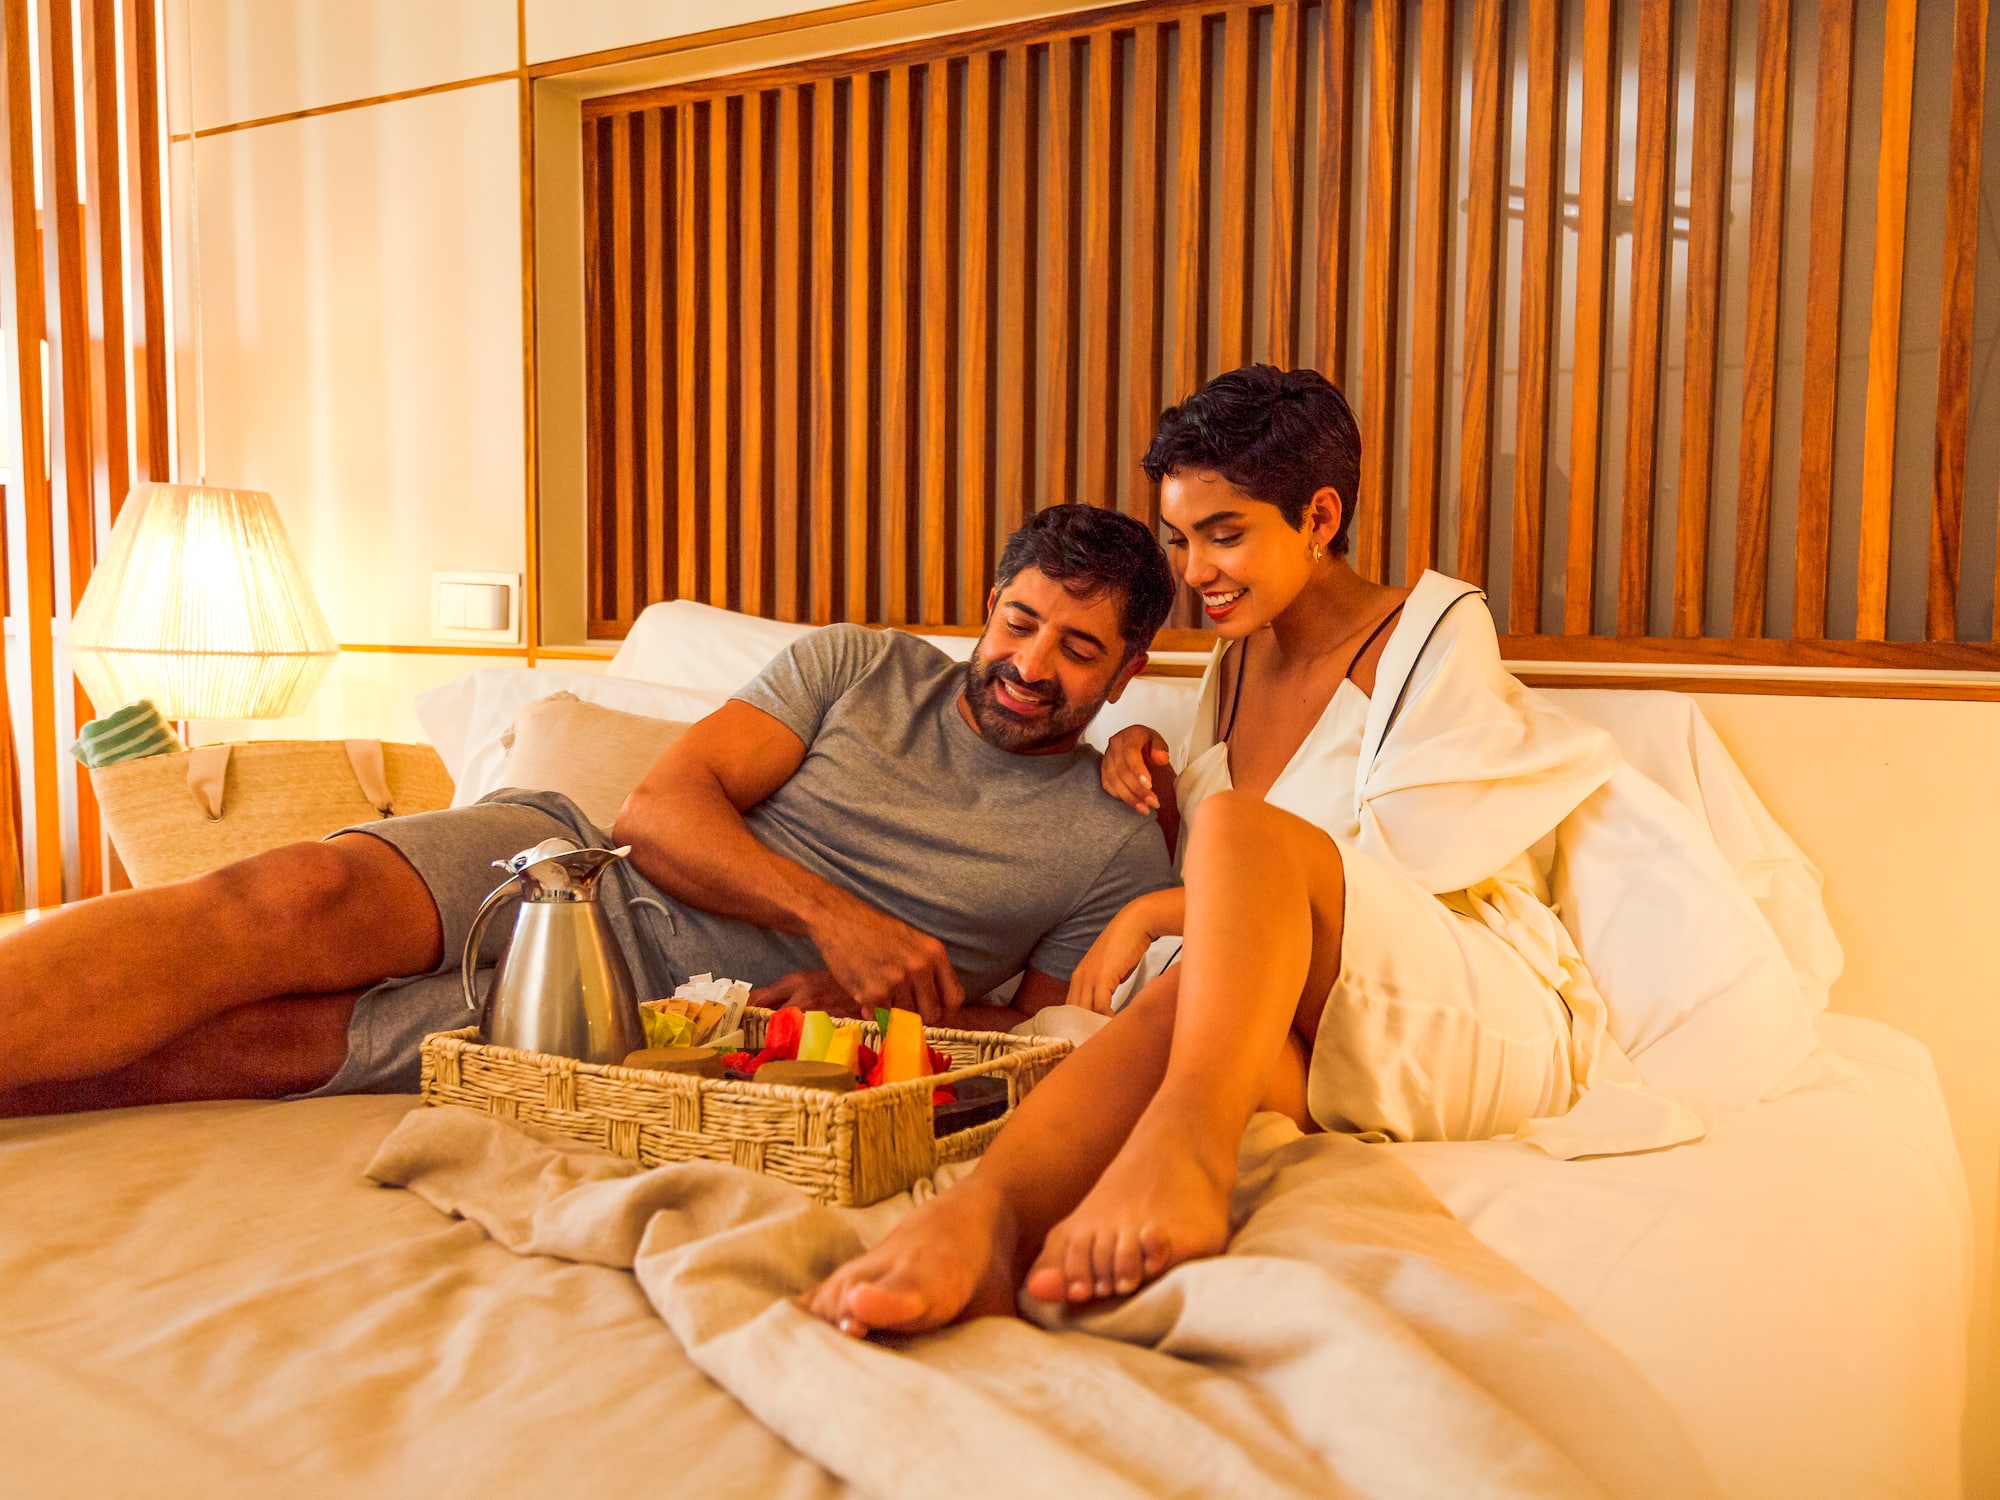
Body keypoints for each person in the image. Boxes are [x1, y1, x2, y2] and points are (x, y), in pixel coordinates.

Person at [807, 365, 1620, 1337]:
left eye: (1223, 534)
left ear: (1318, 516)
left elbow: (1379, 877)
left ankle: (1181, 1152)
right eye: (1180, 538)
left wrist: (1156, 909)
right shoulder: (1234, 665)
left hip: (1466, 1005)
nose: (1193, 572)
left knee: (1227, 864)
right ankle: (984, 1218)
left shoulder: (1429, 630)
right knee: (1184, 1002)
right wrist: (1141, 763)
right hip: (1317, 1027)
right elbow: (1228, 899)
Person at [0, 505, 1179, 1115]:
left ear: (1125, 675)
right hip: (574, 857)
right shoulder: (859, 665)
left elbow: (1028, 1030)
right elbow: (662, 812)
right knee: (287, 894)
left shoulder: (1108, 839)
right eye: (1018, 623)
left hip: (676, 1024)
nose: (1032, 664)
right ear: (988, 606)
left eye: (1078, 651)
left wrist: (861, 1005)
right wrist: (841, 922)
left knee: (272, 1050)